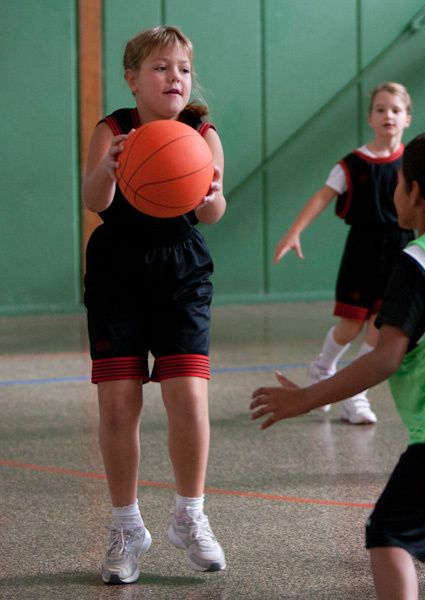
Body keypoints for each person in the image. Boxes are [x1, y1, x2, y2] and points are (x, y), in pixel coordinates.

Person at [251, 129, 425, 600]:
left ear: (415, 194)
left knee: (389, 534)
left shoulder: (417, 259)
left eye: (399, 180)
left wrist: (306, 397)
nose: (394, 188)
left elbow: (384, 359)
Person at [81, 26, 227, 584]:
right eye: (161, 68)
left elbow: (214, 213)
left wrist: (210, 194)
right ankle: (125, 526)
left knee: (189, 396)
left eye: (183, 69)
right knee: (118, 406)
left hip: (182, 268)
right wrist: (109, 169)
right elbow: (94, 200)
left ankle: (190, 516)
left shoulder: (202, 131)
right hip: (117, 267)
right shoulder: (114, 129)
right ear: (133, 79)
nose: (175, 78)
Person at [271, 82, 415, 424]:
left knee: (380, 329)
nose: (388, 116)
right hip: (364, 249)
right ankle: (322, 367)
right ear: (370, 118)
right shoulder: (353, 163)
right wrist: (294, 231)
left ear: (407, 118)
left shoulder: (412, 163)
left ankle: (356, 395)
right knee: (351, 325)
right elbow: (322, 196)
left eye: (395, 110)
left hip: (401, 250)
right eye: (380, 109)